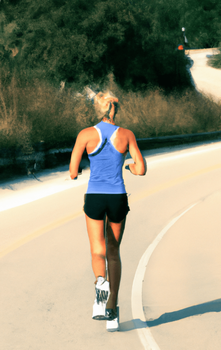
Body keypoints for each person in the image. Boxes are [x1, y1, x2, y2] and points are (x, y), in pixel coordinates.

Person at [69, 91, 146, 332]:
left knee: (97, 250)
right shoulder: (126, 135)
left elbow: (72, 171)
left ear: (98, 109)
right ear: (114, 109)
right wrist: (129, 167)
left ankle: (100, 290)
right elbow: (141, 169)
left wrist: (82, 166)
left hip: (94, 197)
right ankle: (112, 307)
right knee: (113, 252)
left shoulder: (85, 134)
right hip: (117, 198)